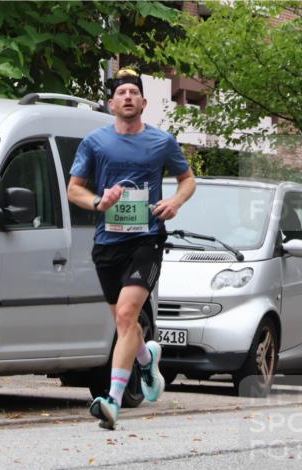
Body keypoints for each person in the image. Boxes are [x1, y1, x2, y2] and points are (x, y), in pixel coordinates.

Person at [67, 68, 196, 429]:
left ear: (143, 102)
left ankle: (112, 400)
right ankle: (146, 357)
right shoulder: (95, 142)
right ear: (111, 104)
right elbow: (73, 189)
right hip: (108, 242)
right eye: (121, 92)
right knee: (124, 321)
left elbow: (188, 180)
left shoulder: (162, 142)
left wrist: (174, 202)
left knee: (126, 316)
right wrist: (99, 202)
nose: (127, 97)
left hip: (147, 239)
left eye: (132, 92)